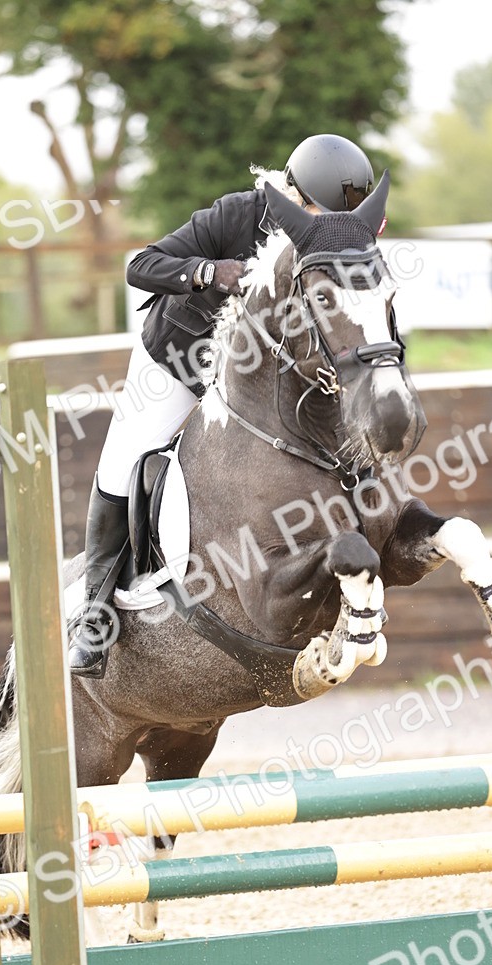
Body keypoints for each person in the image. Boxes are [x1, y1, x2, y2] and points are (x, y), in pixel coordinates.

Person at [68, 133, 376, 675]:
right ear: (294, 195)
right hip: (181, 364)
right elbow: (141, 264)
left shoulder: (336, 239)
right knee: (122, 462)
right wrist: (207, 272)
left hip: (261, 382)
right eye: (320, 215)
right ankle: (94, 617)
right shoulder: (241, 214)